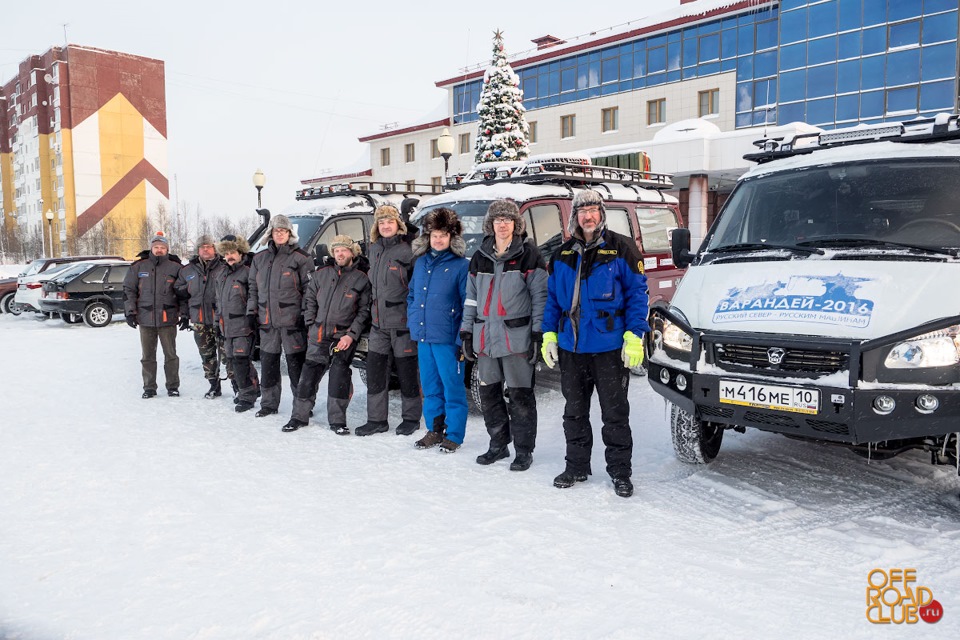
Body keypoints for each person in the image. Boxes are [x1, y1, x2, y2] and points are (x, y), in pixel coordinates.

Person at [541, 189, 649, 498]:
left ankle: (620, 472)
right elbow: (552, 301)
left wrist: (634, 336)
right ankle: (576, 466)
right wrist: (548, 334)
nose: (588, 216)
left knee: (614, 413)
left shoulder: (622, 248)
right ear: (575, 216)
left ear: (601, 214)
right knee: (574, 412)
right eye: (582, 211)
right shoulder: (561, 254)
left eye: (593, 210)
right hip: (572, 348)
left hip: (609, 347)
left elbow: (637, 296)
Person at [461, 199, 547, 471]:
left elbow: (540, 297)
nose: (502, 224)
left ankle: (523, 450)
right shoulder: (479, 256)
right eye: (497, 220)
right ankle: (498, 445)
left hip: (516, 337)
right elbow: (471, 299)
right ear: (491, 224)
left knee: (521, 396)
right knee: (489, 395)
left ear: (515, 224)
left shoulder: (529, 254)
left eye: (507, 219)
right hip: (485, 337)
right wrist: (466, 331)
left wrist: (537, 334)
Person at [281, 235, 371, 434]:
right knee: (308, 376)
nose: (340, 253)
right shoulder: (322, 273)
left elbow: (364, 311)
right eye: (336, 250)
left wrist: (351, 335)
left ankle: (337, 421)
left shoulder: (362, 278)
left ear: (352, 252)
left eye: (344, 250)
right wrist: (311, 325)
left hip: (343, 337)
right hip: (319, 333)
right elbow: (309, 300)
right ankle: (298, 417)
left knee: (339, 374)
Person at [356, 204, 423, 437]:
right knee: (375, 373)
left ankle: (411, 418)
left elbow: (417, 289)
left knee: (407, 373)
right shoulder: (374, 249)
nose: (385, 226)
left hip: (402, 324)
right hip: (378, 325)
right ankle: (376, 420)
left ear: (398, 225)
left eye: (390, 222)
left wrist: (414, 319)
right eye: (381, 222)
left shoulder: (409, 250)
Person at [407, 208, 469, 453]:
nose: (439, 239)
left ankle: (454, 434)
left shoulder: (462, 266)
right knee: (431, 387)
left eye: (443, 235)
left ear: (452, 237)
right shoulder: (421, 263)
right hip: (424, 337)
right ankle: (434, 430)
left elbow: (467, 304)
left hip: (448, 339)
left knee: (452, 388)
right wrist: (414, 319)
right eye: (434, 235)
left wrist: (461, 337)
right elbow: (412, 294)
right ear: (428, 237)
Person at [247, 214, 313, 418]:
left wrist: (305, 315)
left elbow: (309, 290)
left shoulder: (301, 258)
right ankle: (268, 404)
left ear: (290, 233)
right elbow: (253, 288)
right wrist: (251, 312)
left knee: (296, 367)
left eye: (284, 231)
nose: (280, 234)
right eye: (277, 231)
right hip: (267, 322)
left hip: (292, 322)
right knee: (269, 365)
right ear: (271, 234)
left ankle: (303, 406)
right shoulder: (259, 259)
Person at [123, 232, 186, 398]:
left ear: (167, 249)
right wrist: (130, 312)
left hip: (168, 318)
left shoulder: (176, 268)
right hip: (145, 318)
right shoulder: (138, 266)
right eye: (156, 247)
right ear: (151, 248)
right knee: (147, 356)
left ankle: (173, 386)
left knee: (171, 355)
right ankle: (149, 387)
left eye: (162, 248)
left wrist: (184, 314)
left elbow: (183, 293)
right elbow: (128, 290)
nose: (159, 250)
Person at [175, 235, 227, 399]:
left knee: (229, 355)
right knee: (207, 355)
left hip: (221, 320)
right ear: (198, 250)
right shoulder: (187, 270)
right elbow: (180, 293)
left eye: (209, 246)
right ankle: (214, 385)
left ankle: (238, 386)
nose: (206, 249)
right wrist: (184, 315)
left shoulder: (224, 267)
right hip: (199, 319)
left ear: (214, 249)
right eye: (202, 247)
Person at [214, 235, 261, 412]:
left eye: (233, 252)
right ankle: (251, 389)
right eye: (226, 253)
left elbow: (254, 296)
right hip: (226, 326)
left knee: (242, 361)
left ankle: (247, 396)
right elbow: (218, 301)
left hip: (243, 325)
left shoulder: (248, 272)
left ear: (241, 252)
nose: (230, 256)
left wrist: (251, 316)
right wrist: (216, 323)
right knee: (232, 362)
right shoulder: (222, 274)